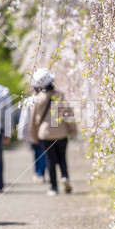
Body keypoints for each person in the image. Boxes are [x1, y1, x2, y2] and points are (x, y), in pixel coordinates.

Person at [30, 68, 73, 196]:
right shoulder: (60, 95)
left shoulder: (38, 98)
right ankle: (65, 177)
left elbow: (32, 119)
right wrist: (72, 129)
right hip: (61, 131)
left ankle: (54, 187)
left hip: (45, 133)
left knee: (50, 160)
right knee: (62, 157)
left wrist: (33, 135)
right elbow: (69, 113)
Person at [17, 86, 47, 184]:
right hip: (44, 130)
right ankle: (40, 173)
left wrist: (22, 133)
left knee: (36, 152)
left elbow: (24, 119)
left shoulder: (29, 101)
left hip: (32, 130)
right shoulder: (47, 98)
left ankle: (38, 173)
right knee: (42, 152)